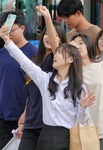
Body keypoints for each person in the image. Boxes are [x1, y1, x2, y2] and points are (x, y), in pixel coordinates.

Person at [0, 25, 95, 150]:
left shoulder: (79, 88)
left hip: (66, 137)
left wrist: (83, 107)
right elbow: (25, 62)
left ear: (71, 59)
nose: (55, 55)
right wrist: (8, 41)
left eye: (61, 53)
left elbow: (83, 120)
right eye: (57, 52)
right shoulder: (46, 79)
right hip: (45, 135)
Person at [17, 21, 66, 150]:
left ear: (60, 41)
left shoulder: (57, 62)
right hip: (31, 121)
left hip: (47, 124)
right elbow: (31, 92)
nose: (49, 38)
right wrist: (24, 115)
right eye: (47, 34)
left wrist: (47, 17)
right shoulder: (35, 58)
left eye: (54, 35)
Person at [0, 10, 37, 149]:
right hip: (3, 115)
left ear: (22, 28)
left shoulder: (34, 53)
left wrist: (26, 113)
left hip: (25, 117)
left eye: (11, 29)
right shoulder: (2, 53)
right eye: (4, 28)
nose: (8, 32)